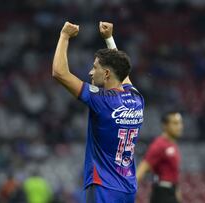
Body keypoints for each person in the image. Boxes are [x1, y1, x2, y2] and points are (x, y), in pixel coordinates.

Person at [52, 21, 144, 203]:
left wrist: (64, 36)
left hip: (104, 186)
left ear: (107, 73)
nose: (91, 72)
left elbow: (59, 73)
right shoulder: (137, 98)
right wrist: (109, 39)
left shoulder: (101, 100)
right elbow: (122, 72)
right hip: (128, 188)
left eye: (95, 67)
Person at [136, 111, 183, 203]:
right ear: (165, 125)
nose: (179, 127)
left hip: (171, 192)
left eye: (180, 123)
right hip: (162, 194)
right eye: (175, 123)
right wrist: (129, 196)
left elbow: (174, 176)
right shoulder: (159, 145)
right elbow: (141, 170)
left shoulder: (172, 145)